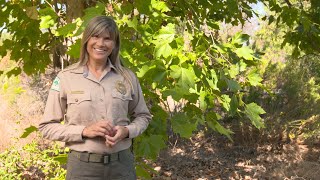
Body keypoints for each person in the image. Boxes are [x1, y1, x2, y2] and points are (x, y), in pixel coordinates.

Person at [39, 16, 152, 180]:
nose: (100, 43)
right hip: (82, 168)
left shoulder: (127, 77)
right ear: (86, 40)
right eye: (95, 36)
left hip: (122, 166)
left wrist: (127, 131)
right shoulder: (66, 78)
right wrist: (84, 131)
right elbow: (47, 127)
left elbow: (144, 116)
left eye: (107, 38)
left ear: (114, 44)